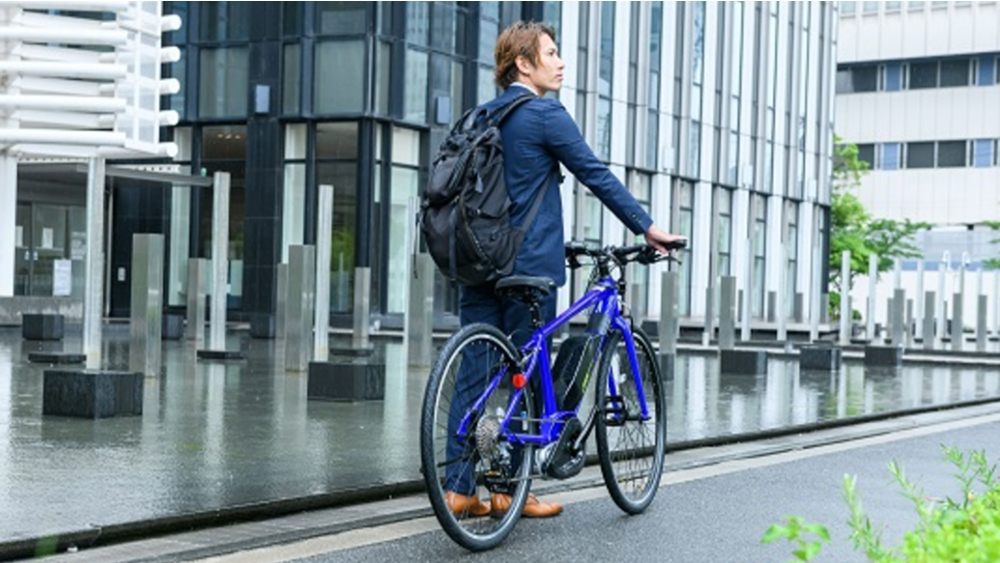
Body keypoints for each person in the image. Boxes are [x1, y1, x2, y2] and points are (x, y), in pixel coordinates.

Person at [445, 21, 686, 519]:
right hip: (526, 267)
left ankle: (459, 490)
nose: (560, 62)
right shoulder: (544, 115)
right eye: (550, 54)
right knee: (530, 375)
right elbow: (594, 173)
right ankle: (513, 491)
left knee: (473, 374)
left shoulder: (478, 116)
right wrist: (647, 227)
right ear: (523, 65)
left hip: (475, 262)